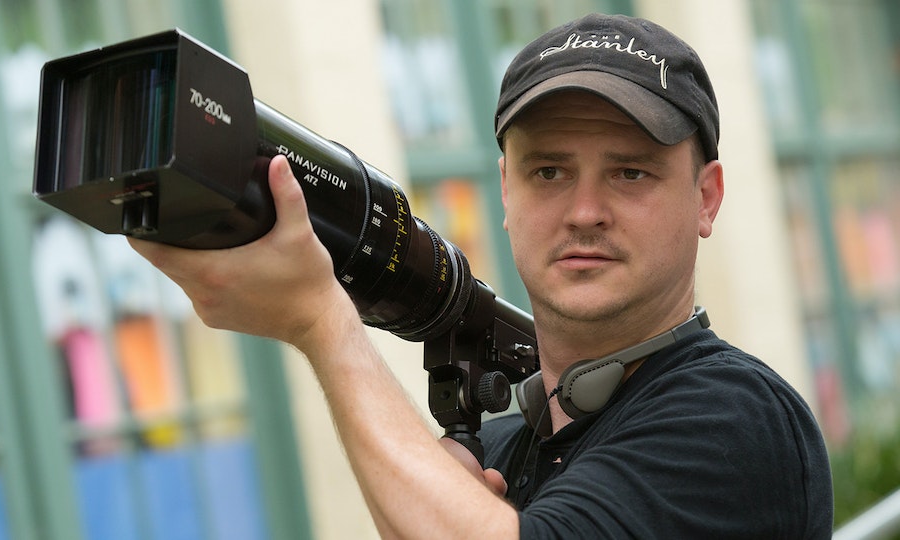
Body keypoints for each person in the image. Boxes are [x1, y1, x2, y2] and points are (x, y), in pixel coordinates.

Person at [130, 12, 834, 539]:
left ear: (706, 197)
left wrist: (320, 319)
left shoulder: (738, 417)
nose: (584, 211)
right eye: (548, 171)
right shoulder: (494, 455)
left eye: (630, 172)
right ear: (505, 190)